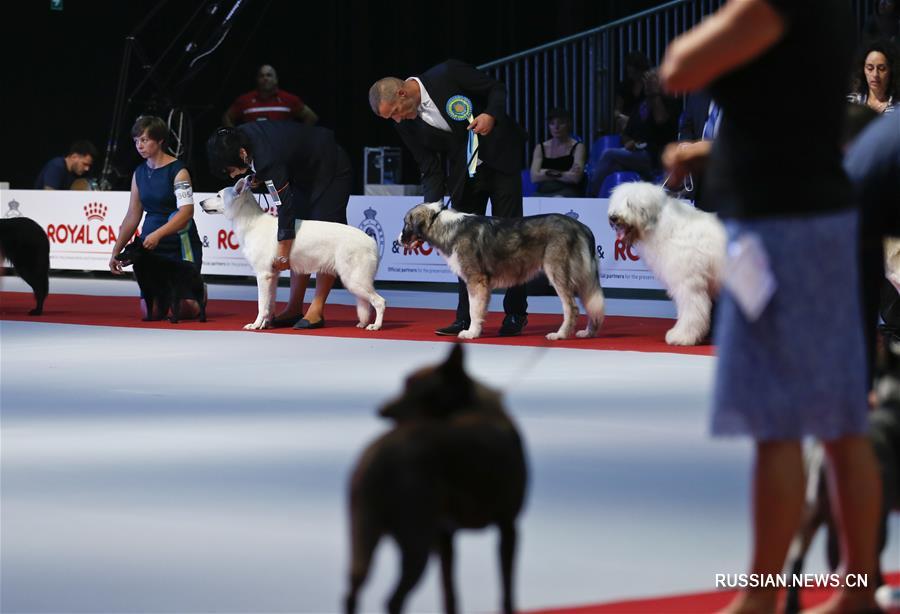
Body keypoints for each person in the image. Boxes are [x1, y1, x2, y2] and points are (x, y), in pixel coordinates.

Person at [660, 1, 881, 612]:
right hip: (818, 218)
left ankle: (759, 598)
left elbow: (679, 67)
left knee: (776, 426)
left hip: (777, 231)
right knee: (839, 422)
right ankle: (858, 590)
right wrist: (710, 155)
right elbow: (795, 110)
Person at [368, 59, 529, 337]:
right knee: (462, 245)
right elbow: (429, 169)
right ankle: (465, 318)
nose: (396, 119)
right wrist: (430, 213)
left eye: (395, 112)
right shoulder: (405, 125)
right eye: (390, 118)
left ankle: (515, 312)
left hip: (500, 160)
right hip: (464, 175)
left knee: (511, 236)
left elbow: (496, 89)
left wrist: (491, 115)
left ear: (403, 94)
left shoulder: (447, 74)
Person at [206, 121, 352, 330]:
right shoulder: (240, 137)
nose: (232, 175)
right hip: (303, 174)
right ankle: (294, 307)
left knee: (326, 233)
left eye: (231, 169)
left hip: (331, 166)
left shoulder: (267, 159)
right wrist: (258, 177)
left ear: (241, 153)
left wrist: (282, 251)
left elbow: (283, 205)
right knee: (299, 233)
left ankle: (317, 309)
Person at [109, 116, 204, 319]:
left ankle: (199, 293)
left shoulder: (179, 171)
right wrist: (116, 251)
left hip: (180, 243)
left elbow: (186, 212)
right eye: (136, 141)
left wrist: (158, 234)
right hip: (151, 248)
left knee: (187, 310)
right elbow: (132, 215)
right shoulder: (139, 173)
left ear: (160, 140)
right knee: (150, 313)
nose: (139, 145)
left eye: (144, 140)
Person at [589, 68, 680, 193]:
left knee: (608, 154)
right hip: (637, 154)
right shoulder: (640, 106)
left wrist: (655, 95)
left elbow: (661, 121)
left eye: (653, 81)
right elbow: (626, 133)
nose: (648, 84)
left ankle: (589, 196)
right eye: (647, 81)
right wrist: (630, 142)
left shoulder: (669, 102)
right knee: (614, 166)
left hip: (655, 156)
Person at [222, 64, 318, 127]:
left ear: (276, 79)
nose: (265, 78)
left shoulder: (289, 99)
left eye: (269, 75)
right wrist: (236, 138)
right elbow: (227, 117)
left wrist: (298, 138)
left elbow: (311, 117)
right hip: (254, 151)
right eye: (261, 75)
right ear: (257, 80)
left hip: (281, 150)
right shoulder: (244, 100)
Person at [529, 108, 586, 197]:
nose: (556, 127)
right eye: (552, 124)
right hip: (542, 192)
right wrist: (564, 174)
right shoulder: (540, 147)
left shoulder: (578, 147)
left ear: (568, 125)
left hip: (567, 191)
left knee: (558, 198)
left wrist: (545, 172)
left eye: (561, 123)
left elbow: (575, 178)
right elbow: (534, 177)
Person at [847, 39, 899, 114]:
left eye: (881, 69)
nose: (875, 74)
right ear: (863, 70)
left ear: (891, 71)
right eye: (870, 68)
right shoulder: (851, 102)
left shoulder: (897, 109)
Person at [34, 140, 98, 190]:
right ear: (74, 157)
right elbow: (49, 196)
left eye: (89, 165)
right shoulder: (56, 166)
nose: (87, 169)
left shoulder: (81, 172)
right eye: (84, 164)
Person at [613, 51, 652, 134]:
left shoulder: (650, 86)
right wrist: (619, 116)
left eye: (634, 73)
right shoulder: (624, 85)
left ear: (642, 71)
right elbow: (617, 109)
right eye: (629, 73)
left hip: (645, 123)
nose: (631, 76)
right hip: (626, 125)